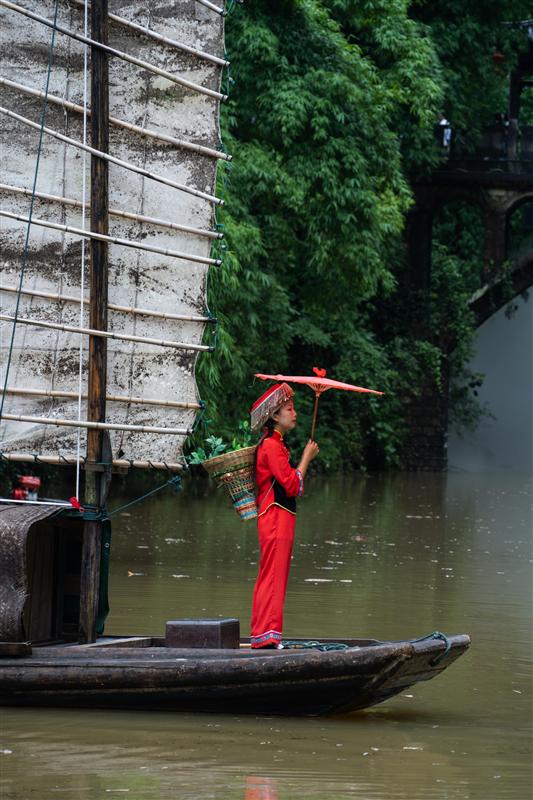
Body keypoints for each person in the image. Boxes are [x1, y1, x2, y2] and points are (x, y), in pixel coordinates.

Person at [249, 383, 319, 649]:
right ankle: (267, 636)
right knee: (274, 576)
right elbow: (292, 485)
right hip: (276, 517)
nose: (295, 413)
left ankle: (265, 635)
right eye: (289, 409)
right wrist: (306, 457)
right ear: (275, 416)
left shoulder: (276, 444)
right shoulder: (270, 446)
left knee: (274, 575)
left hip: (280, 517)